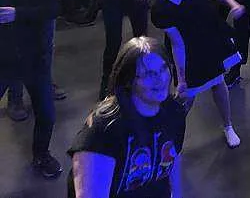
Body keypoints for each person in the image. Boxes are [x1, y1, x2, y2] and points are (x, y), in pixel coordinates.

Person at [145, 0, 245, 148]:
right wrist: (182, 79)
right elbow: (177, 44)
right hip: (188, 51)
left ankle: (228, 126)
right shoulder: (162, 9)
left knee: (218, 83)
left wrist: (234, 5)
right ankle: (171, 137)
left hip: (212, 41)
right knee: (187, 96)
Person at [67, 37, 185, 198]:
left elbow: (173, 161)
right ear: (129, 81)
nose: (161, 79)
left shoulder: (174, 112)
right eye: (148, 74)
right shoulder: (105, 129)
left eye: (164, 68)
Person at [0, 0, 61, 177]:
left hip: (32, 57)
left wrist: (19, 13)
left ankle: (41, 155)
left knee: (46, 114)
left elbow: (52, 8)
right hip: (2, 60)